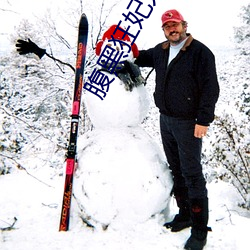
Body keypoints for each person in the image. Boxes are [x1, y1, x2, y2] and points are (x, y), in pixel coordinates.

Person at [134, 9, 219, 250]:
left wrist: (204, 120)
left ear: (184, 24)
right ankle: (185, 214)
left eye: (175, 24)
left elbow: (210, 88)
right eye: (167, 26)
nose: (172, 29)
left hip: (189, 123)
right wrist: (117, 43)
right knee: (176, 169)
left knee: (192, 173)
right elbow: (139, 56)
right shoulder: (161, 51)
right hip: (166, 120)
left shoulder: (200, 52)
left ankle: (200, 231)